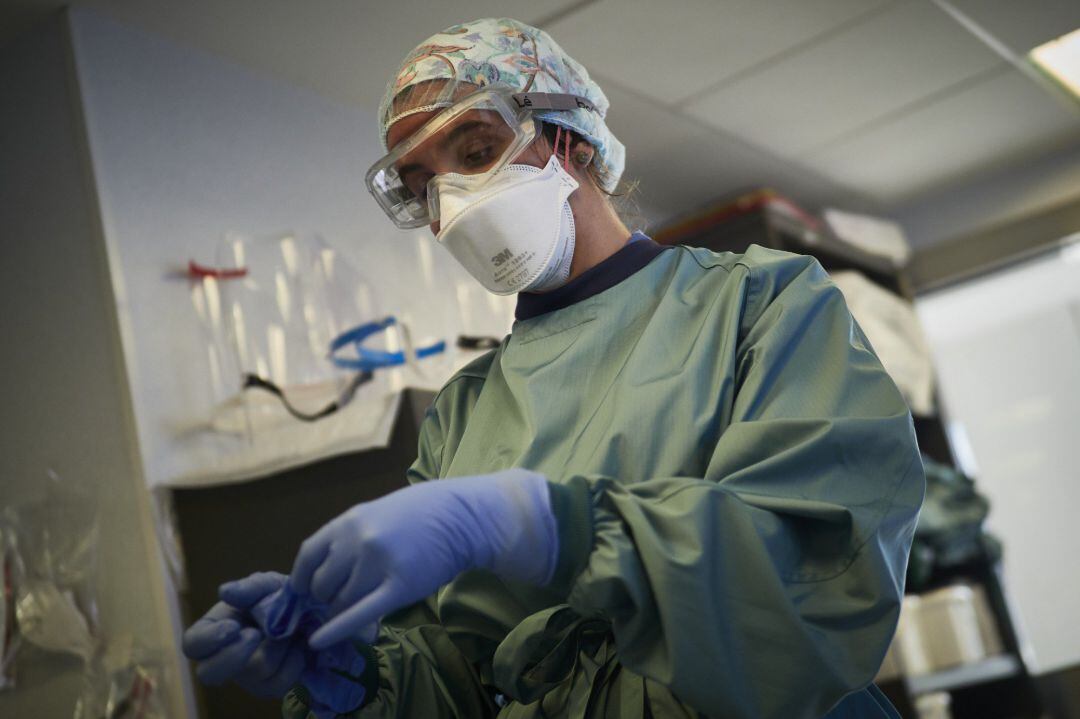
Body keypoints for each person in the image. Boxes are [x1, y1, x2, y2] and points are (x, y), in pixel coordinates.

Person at [182, 17, 924, 719]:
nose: (451, 208)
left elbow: (812, 582)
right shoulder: (464, 414)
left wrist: (551, 525)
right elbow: (455, 678)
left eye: (474, 153)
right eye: (421, 188)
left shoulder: (759, 306)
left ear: (568, 138)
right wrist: (351, 677)